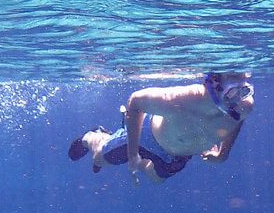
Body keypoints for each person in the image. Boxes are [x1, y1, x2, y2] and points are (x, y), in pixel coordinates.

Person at [68, 72, 254, 184]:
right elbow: (136, 101)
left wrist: (223, 154)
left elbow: (238, 120)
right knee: (99, 158)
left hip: (177, 156)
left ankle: (139, 160)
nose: (238, 99)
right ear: (215, 85)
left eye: (244, 91)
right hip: (146, 138)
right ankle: (94, 135)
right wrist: (133, 153)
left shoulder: (244, 106)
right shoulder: (186, 98)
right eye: (233, 93)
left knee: (157, 180)